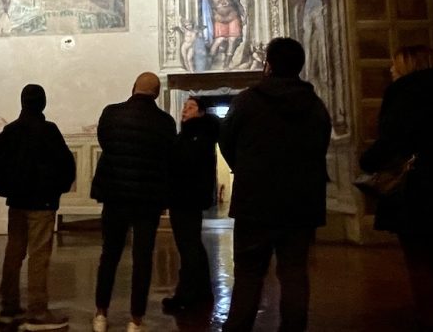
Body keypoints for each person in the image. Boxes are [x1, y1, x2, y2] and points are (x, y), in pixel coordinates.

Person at [219, 37, 332, 332]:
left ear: (268, 64)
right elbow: (321, 144)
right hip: (301, 202)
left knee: (248, 274)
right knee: (294, 272)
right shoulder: (315, 104)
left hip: (254, 201)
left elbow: (226, 140)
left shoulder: (247, 100)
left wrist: (242, 169)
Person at [359, 45, 433, 332]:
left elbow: (394, 138)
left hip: (414, 186)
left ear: (407, 66)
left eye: (395, 65)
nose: (391, 70)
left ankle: (427, 318)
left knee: (417, 258)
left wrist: (368, 161)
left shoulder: (406, 94)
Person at [90, 72, 177, 332]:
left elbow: (105, 142)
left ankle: (101, 315)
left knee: (110, 255)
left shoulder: (111, 113)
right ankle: (135, 320)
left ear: (132, 88)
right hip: (147, 199)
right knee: (143, 259)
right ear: (157, 93)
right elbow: (167, 157)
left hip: (115, 194)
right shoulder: (164, 122)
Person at [0, 84, 76, 331]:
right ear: (43, 103)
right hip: (42, 203)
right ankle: (37, 311)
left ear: (23, 102)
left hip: (17, 202)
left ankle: (9, 307)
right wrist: (56, 189)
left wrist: (6, 190)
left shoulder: (10, 132)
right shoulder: (49, 131)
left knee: (13, 254)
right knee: (39, 256)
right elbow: (66, 165)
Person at [162, 96, 219, 314]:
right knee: (192, 244)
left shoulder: (196, 135)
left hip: (185, 196)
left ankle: (186, 296)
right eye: (185, 106)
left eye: (191, 107)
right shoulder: (194, 134)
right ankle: (203, 290)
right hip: (187, 196)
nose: (185, 110)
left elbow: (184, 165)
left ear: (201, 112)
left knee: (188, 247)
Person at [191, 0, 246, 69]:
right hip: (220, 18)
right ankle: (209, 63)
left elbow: (237, 3)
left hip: (233, 16)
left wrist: (243, 14)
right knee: (219, 40)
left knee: (232, 40)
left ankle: (226, 64)